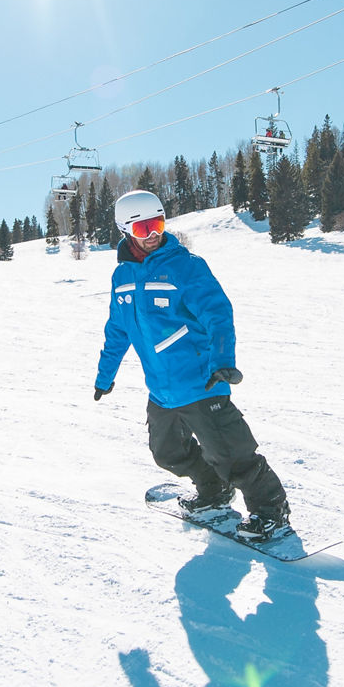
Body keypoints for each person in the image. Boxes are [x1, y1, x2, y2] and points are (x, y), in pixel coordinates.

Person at [93, 189, 290, 539]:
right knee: (166, 453)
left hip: (201, 380)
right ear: (125, 232)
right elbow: (117, 330)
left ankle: (270, 511)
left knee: (233, 454)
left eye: (157, 224)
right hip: (161, 389)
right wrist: (105, 376)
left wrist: (223, 361)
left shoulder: (187, 267)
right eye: (143, 229)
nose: (153, 234)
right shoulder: (121, 277)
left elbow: (217, 314)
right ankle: (213, 490)